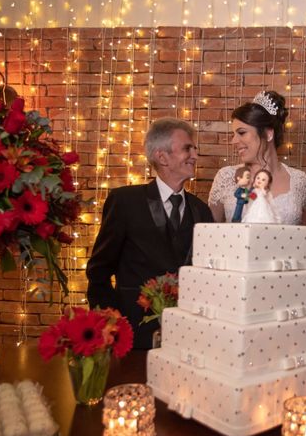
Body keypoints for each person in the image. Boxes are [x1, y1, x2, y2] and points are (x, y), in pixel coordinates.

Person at [86, 117, 213, 349]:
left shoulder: (201, 210)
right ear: (161, 156)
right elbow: (98, 272)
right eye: (187, 148)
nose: (195, 155)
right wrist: (110, 325)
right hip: (133, 337)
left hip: (187, 338)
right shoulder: (124, 201)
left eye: (194, 149)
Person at [208, 90, 306, 226]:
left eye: (241, 133)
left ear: (268, 134)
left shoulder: (300, 180)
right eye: (234, 134)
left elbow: (304, 239)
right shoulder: (225, 177)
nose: (233, 141)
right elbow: (209, 233)